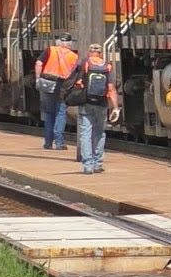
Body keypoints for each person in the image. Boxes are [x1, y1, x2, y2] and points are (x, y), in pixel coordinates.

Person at [68, 42, 120, 175]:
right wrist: (115, 108)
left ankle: (87, 166)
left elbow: (71, 78)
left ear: (89, 52)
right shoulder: (107, 66)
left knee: (85, 134)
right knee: (100, 133)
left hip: (85, 102)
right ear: (101, 53)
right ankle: (98, 163)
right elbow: (111, 88)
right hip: (101, 104)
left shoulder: (83, 63)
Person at [34, 33, 78, 150]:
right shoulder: (74, 56)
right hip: (62, 86)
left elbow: (39, 63)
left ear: (58, 42)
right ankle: (59, 143)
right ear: (70, 43)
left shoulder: (50, 50)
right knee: (60, 113)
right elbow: (75, 74)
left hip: (46, 83)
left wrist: (38, 78)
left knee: (48, 113)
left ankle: (48, 142)